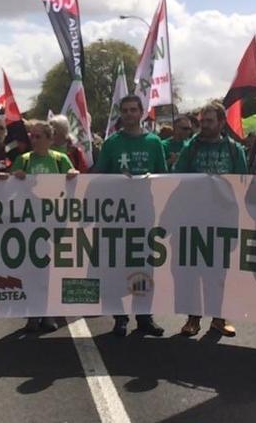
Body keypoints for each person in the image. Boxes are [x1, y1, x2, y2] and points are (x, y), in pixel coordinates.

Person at [95, 95, 167, 337]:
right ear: (120, 114)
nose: (128, 114)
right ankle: (120, 317)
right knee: (116, 267)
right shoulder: (111, 144)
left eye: (133, 110)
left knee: (144, 266)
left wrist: (151, 179)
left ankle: (144, 317)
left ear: (141, 112)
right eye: (124, 110)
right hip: (117, 216)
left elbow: (164, 178)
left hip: (145, 214)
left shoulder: (154, 142)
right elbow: (99, 176)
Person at [174, 102, 247, 338]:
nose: (203, 125)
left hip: (224, 220)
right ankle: (193, 318)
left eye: (209, 121)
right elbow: (176, 177)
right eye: (202, 121)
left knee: (220, 272)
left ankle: (219, 318)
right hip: (194, 220)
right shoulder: (190, 148)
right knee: (193, 270)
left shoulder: (236, 150)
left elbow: (244, 183)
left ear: (221, 123)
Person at [3, 120, 78, 332]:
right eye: (32, 136)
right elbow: (7, 188)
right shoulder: (23, 160)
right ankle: (32, 313)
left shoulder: (60, 159)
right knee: (31, 270)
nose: (34, 140)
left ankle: (48, 313)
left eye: (39, 136)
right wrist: (12, 177)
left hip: (55, 223)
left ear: (50, 139)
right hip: (29, 225)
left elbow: (74, 184)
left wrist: (73, 176)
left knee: (52, 270)